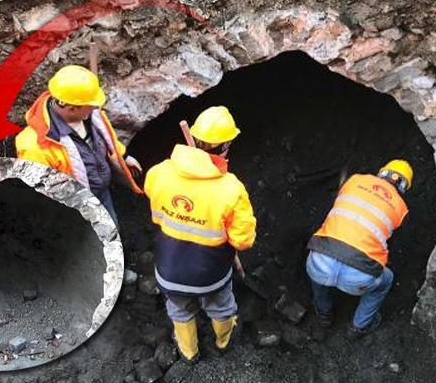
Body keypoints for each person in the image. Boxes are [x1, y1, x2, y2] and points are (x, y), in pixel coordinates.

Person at [144, 106, 256, 362]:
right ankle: (223, 341)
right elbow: (244, 240)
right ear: (226, 145)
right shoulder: (231, 189)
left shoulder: (160, 172)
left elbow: (152, 192)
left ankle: (189, 352)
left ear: (192, 139)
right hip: (210, 274)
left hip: (169, 268)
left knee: (179, 310)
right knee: (221, 307)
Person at [15, 65, 143, 225]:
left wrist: (123, 156)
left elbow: (107, 138)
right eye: (90, 105)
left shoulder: (92, 116)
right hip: (75, 210)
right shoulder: (34, 147)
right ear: (72, 109)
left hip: (102, 193)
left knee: (110, 230)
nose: (95, 107)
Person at [306, 160, 412, 339]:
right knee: (386, 280)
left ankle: (324, 314)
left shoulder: (354, 180)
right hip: (358, 276)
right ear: (403, 186)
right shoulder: (401, 208)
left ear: (381, 173)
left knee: (317, 264)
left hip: (320, 263)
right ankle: (358, 327)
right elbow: (392, 237)